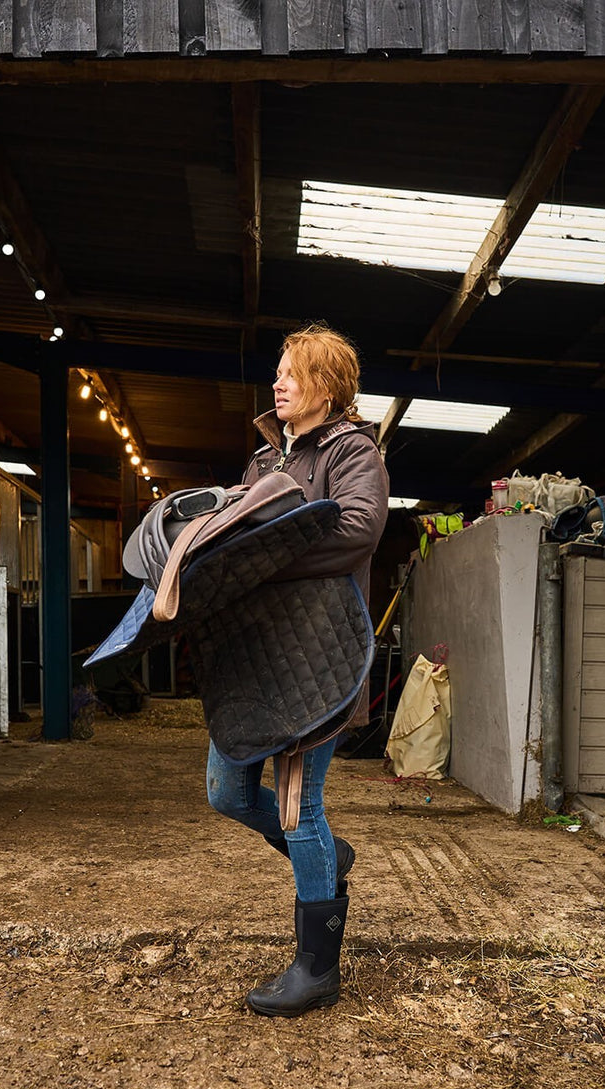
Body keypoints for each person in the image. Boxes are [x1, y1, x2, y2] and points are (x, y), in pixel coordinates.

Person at [206, 325, 389, 1017]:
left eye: (292, 373)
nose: (278, 383)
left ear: (327, 387)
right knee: (226, 790)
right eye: (278, 371)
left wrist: (266, 557)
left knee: (296, 807)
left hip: (319, 654)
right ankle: (326, 857)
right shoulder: (263, 459)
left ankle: (317, 968)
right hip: (257, 652)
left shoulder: (351, 450)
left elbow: (360, 529)